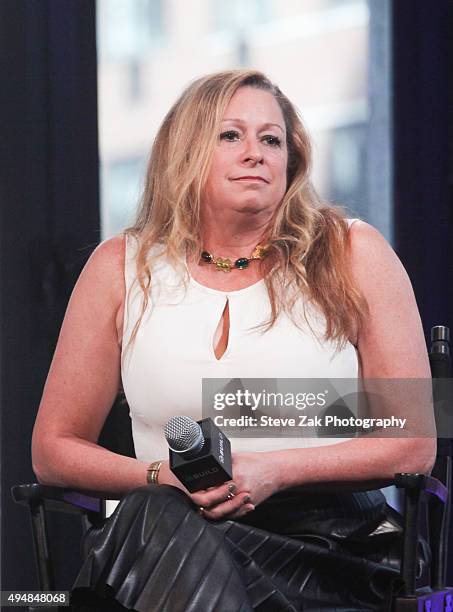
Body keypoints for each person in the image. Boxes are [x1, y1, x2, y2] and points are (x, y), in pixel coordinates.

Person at [32, 69, 436, 611]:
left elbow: (413, 444)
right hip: (165, 536)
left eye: (271, 139)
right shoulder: (120, 267)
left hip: (327, 545)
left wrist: (275, 470)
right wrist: (159, 477)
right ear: (186, 150)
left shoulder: (352, 252)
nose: (256, 153)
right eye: (231, 135)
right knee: (153, 516)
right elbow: (53, 450)